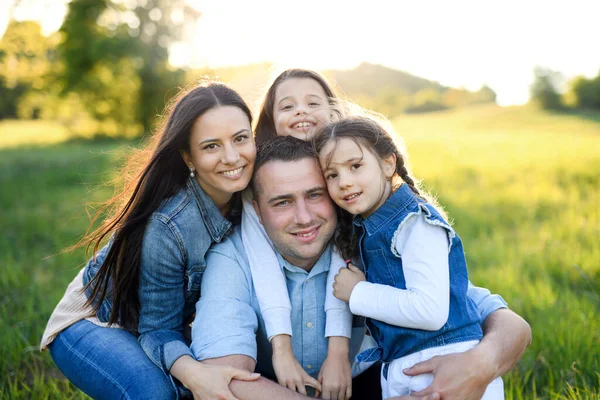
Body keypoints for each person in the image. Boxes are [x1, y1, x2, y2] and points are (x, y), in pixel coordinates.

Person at [192, 135, 531, 400]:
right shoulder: (233, 259)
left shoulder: (374, 245)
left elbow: (510, 324)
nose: (304, 217)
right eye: (282, 202)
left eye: (315, 195)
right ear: (255, 207)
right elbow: (225, 380)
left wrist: (479, 365)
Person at [40, 82, 261, 400]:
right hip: (98, 318)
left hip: (157, 318)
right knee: (157, 394)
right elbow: (157, 328)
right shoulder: (169, 226)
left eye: (240, 138)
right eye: (211, 146)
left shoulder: (259, 192)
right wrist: (196, 375)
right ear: (189, 157)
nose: (232, 157)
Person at [313, 116, 506, 398]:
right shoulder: (368, 227)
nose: (344, 182)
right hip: (408, 368)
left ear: (388, 163)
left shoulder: (414, 222)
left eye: (355, 166)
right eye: (332, 175)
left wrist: (358, 292)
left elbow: (429, 311)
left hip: (444, 365)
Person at [240, 69, 353, 395]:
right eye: (288, 107)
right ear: (270, 121)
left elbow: (341, 266)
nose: (301, 111)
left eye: (313, 102)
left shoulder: (347, 175)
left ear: (334, 113)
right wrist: (282, 351)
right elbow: (265, 270)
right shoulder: (258, 186)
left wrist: (338, 352)